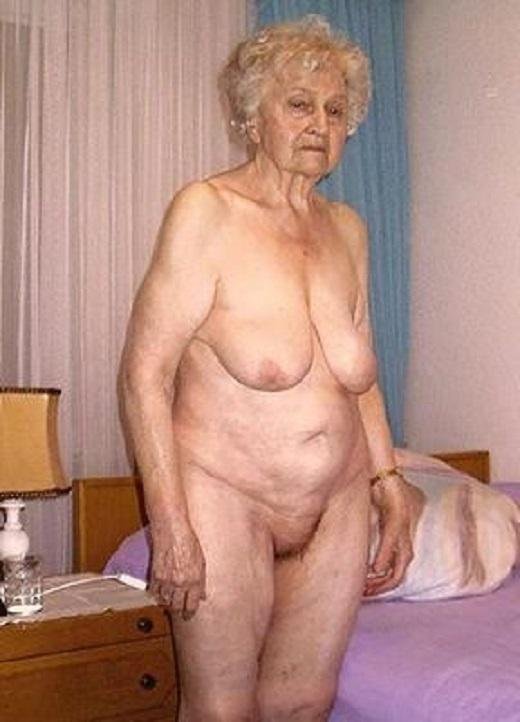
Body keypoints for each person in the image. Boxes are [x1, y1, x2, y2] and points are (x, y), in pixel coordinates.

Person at [119, 15, 418, 722]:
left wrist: (389, 481)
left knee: (305, 703)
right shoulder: (206, 212)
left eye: (336, 111)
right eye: (300, 104)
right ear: (253, 117)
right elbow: (144, 376)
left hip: (337, 502)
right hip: (227, 496)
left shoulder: (348, 229)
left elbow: (360, 377)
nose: (320, 124)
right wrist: (170, 525)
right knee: (221, 710)